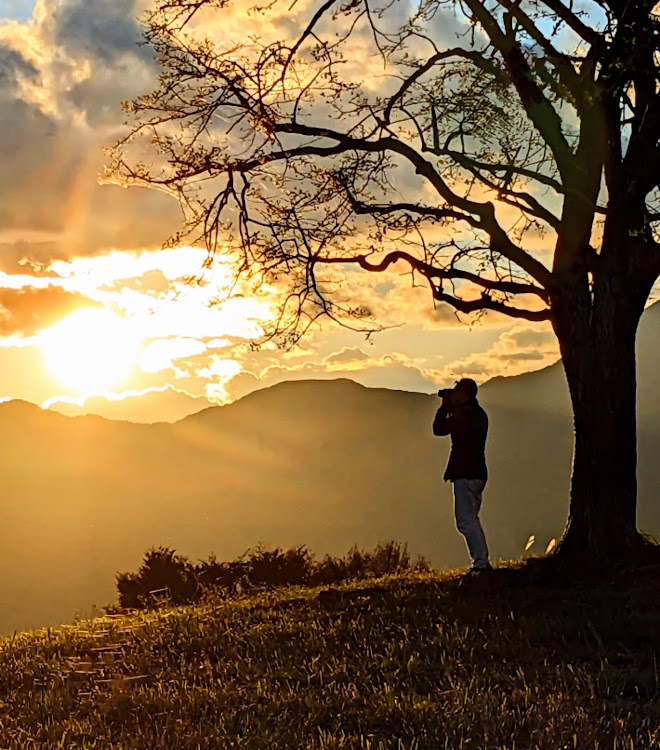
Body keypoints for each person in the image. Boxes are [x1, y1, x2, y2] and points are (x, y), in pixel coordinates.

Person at [433, 378, 492, 574]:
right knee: (470, 519)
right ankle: (481, 562)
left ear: (465, 395)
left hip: (465, 473)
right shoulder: (477, 414)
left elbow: (439, 429)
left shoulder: (465, 415)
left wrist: (445, 407)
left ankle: (481, 564)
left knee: (466, 521)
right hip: (475, 473)